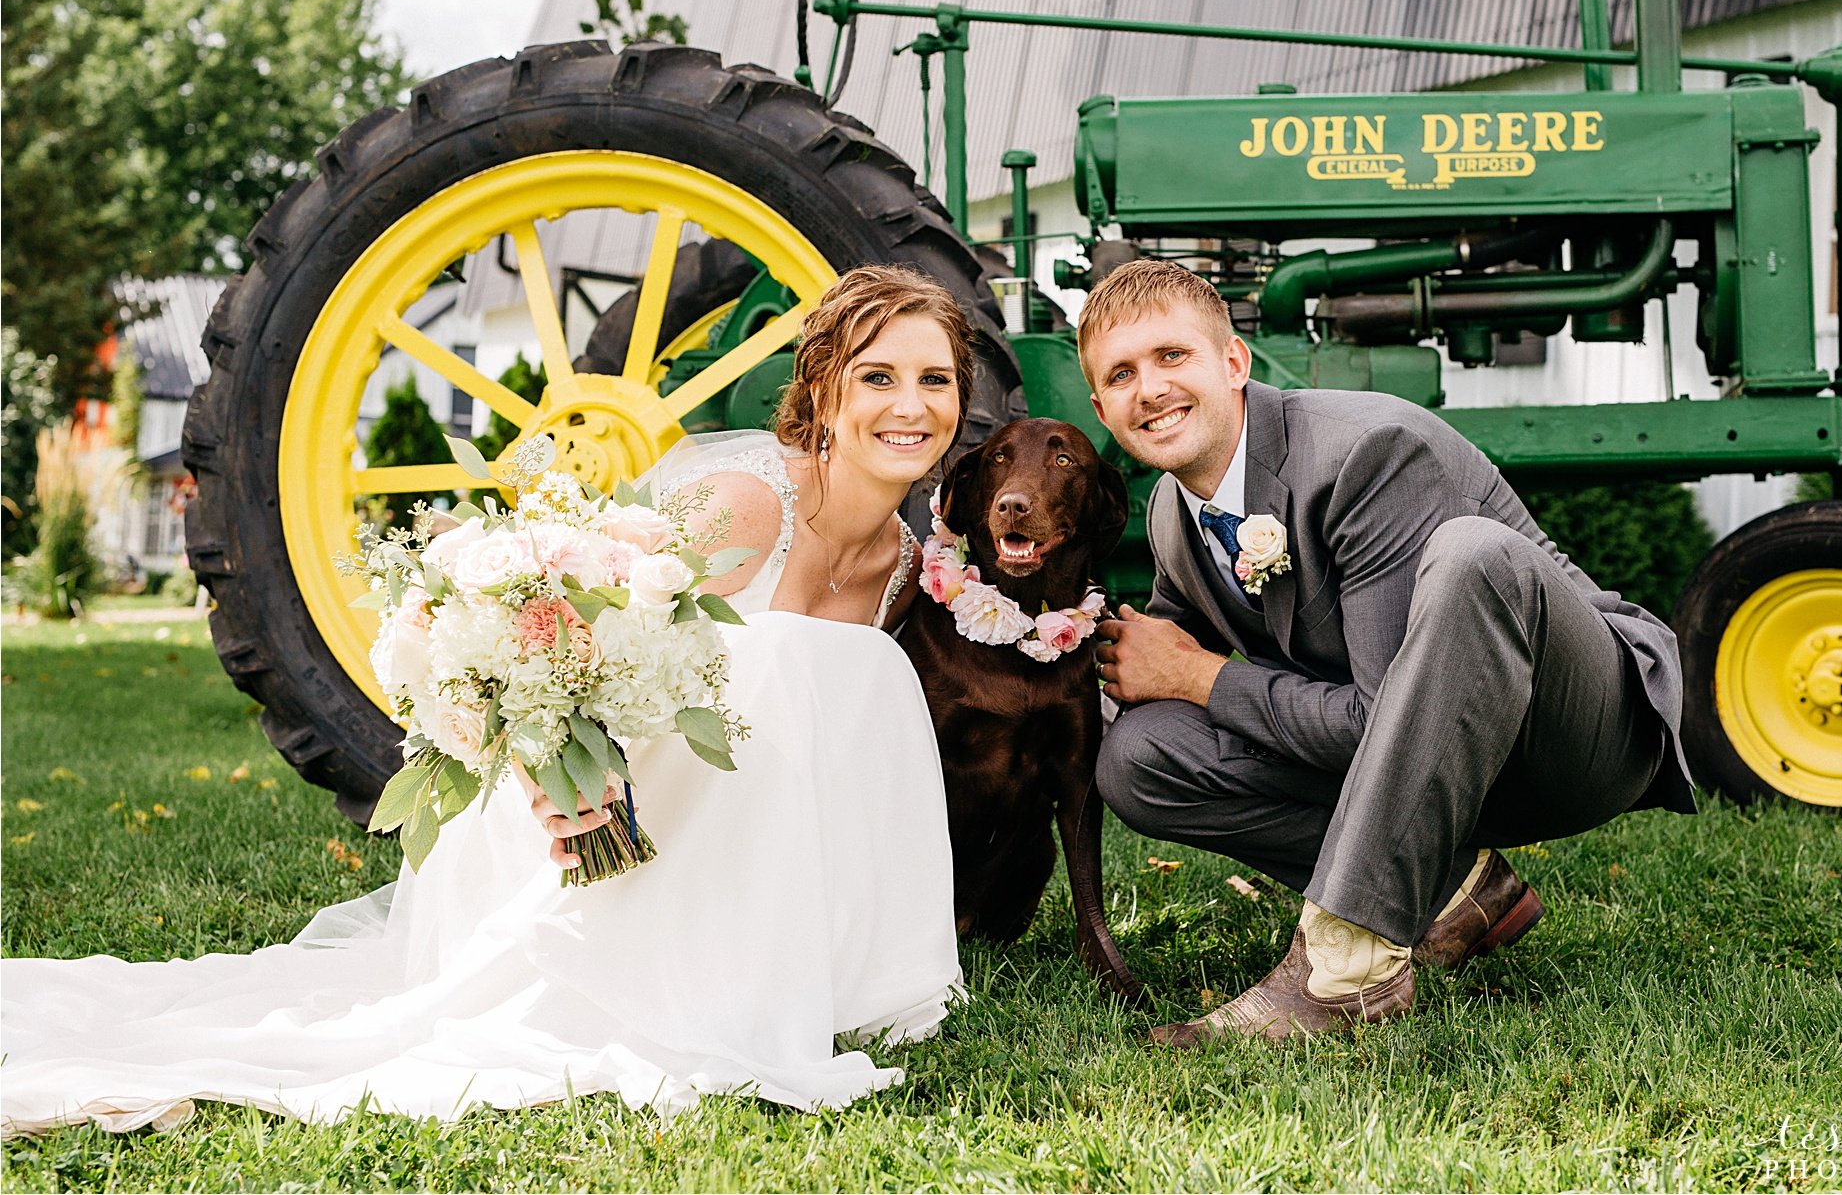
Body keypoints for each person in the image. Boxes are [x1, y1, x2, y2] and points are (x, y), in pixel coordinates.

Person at [2, 265, 971, 1134]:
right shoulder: (748, 505)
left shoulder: (905, 564)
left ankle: (794, 955)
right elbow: (560, 637)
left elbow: (820, 750)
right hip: (578, 821)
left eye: (935, 380)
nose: (909, 405)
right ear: (825, 391)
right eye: (877, 376)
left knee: (862, 674)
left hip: (724, 841)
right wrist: (558, 785)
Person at [1080, 259, 1696, 1047]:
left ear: (1233, 363)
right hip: (1423, 776)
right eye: (1122, 375)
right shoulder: (1173, 511)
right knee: (1140, 757)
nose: (1150, 389)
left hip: (1568, 736)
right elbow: (1157, 683)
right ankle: (1452, 891)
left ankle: (1345, 972)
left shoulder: (1366, 453)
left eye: (1172, 357)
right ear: (1102, 407)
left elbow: (1381, 720)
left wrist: (1202, 676)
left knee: (1476, 554)